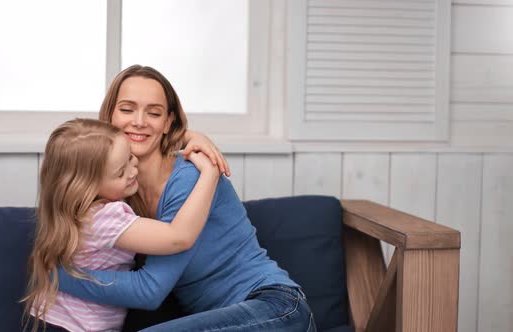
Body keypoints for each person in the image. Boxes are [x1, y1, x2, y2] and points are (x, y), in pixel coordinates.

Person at [56, 65, 316, 331]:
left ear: (168, 122)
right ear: (109, 116)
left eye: (154, 113)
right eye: (126, 109)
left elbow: (149, 289)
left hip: (276, 308)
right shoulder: (120, 195)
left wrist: (58, 276)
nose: (139, 121)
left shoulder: (192, 177)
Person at [22, 118, 220, 332]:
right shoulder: (105, 218)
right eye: (120, 173)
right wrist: (210, 174)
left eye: (130, 157)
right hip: (76, 327)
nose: (133, 170)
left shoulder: (76, 212)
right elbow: (179, 237)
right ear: (86, 187)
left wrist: (190, 136)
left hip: (52, 320)